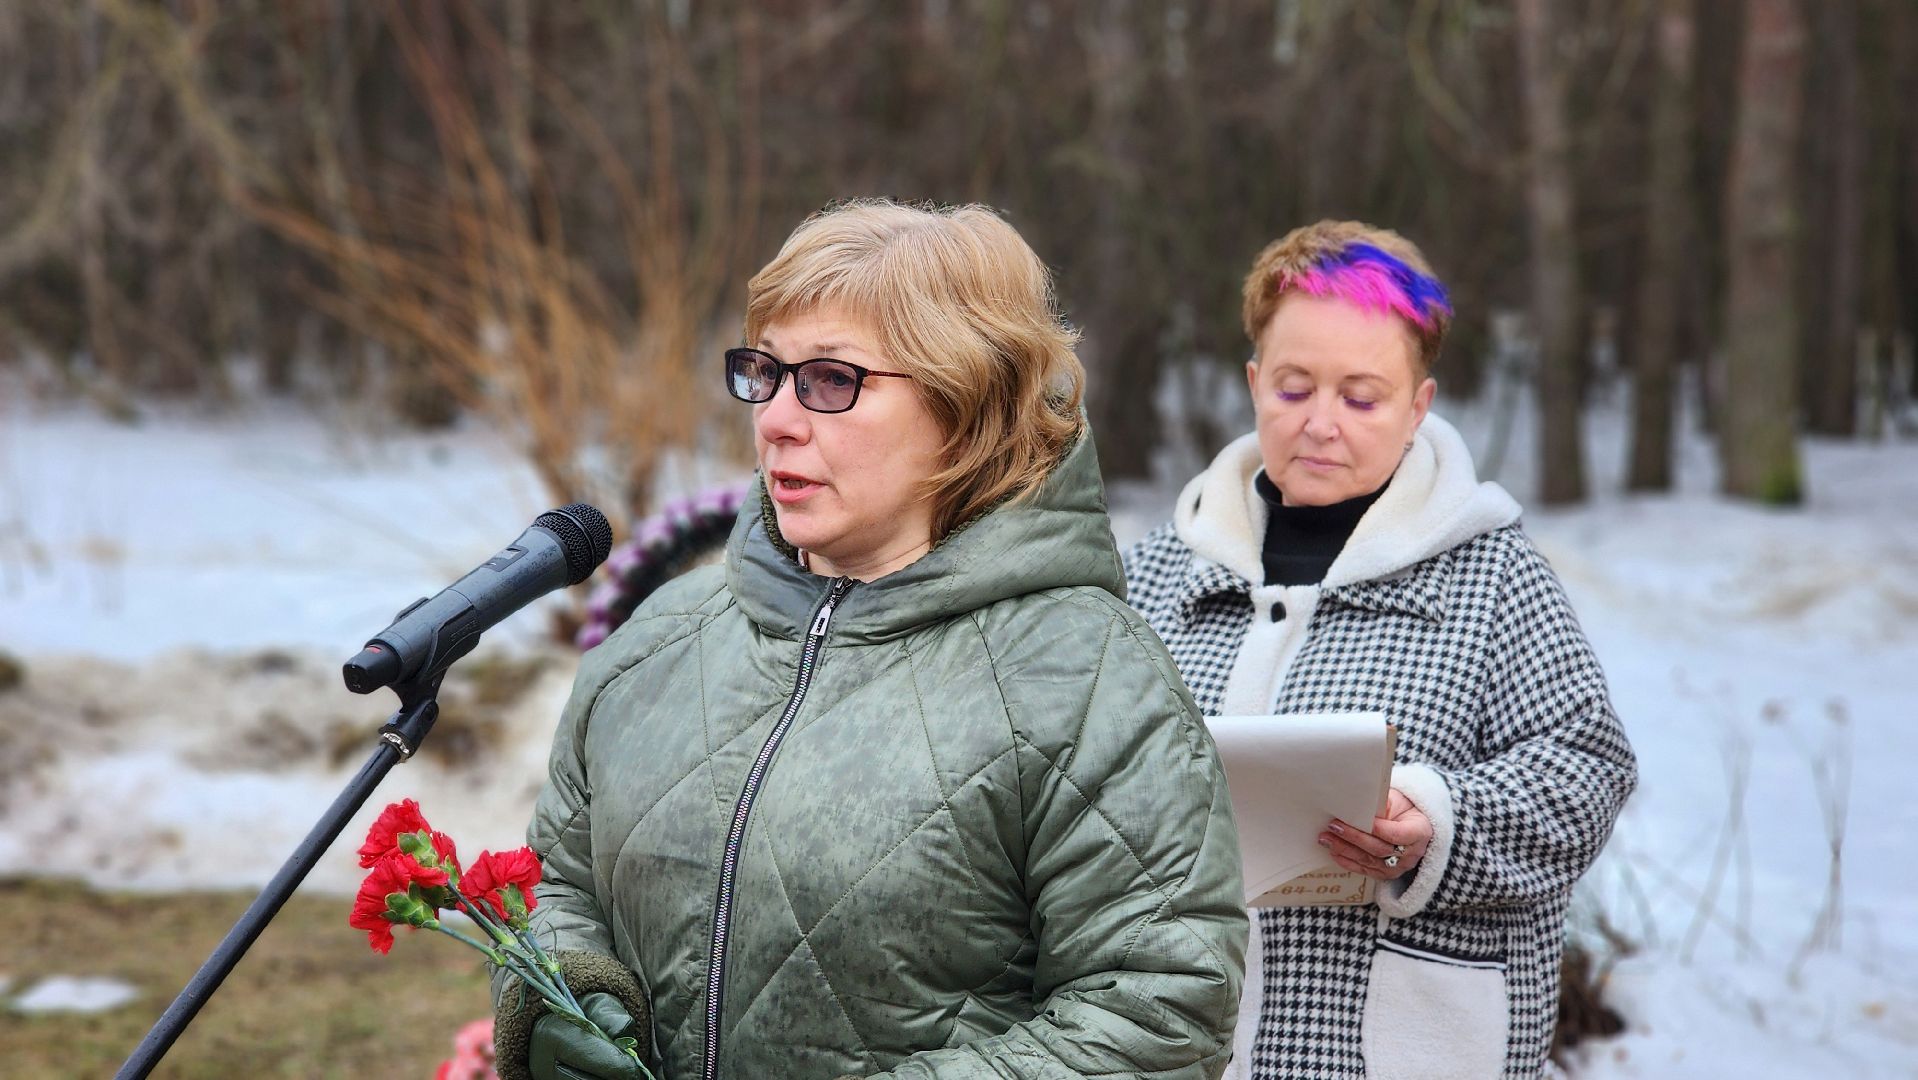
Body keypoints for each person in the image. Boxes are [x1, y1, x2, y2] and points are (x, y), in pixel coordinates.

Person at [494, 198, 1248, 1080]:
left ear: (965, 407)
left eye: (830, 380)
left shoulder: (1087, 676)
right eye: (764, 372)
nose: (776, 417)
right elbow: (555, 882)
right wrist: (561, 995)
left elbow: (1160, 1007)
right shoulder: (659, 641)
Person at [1122, 221, 1636, 1080]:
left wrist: (1437, 824)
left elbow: (1587, 771)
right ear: (1253, 383)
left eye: (1361, 398)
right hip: (1173, 1047)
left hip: (1402, 1045)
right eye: (1293, 389)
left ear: (1417, 406)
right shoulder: (1155, 573)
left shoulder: (1493, 574)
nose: (1321, 424)